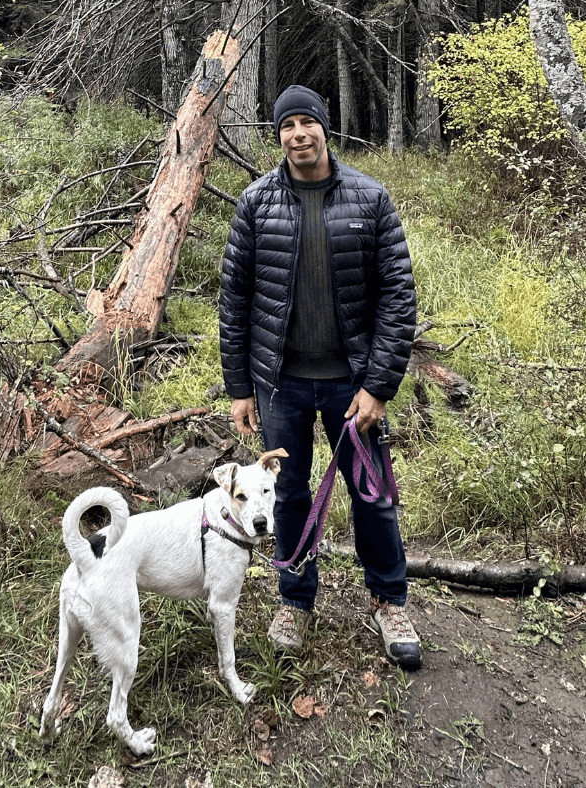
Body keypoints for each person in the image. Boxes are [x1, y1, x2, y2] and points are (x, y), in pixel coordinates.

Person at [219, 85, 421, 669]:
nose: (298, 134)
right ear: (277, 134)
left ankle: (389, 602)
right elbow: (234, 302)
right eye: (287, 126)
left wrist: (378, 386)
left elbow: (397, 298)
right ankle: (295, 601)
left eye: (308, 122)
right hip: (281, 385)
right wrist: (240, 387)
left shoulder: (369, 198)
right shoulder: (256, 203)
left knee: (372, 496)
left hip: (351, 386)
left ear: (324, 128)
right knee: (288, 497)